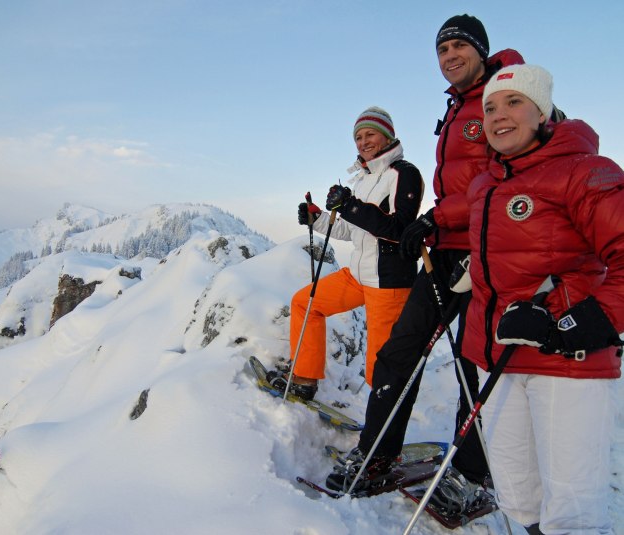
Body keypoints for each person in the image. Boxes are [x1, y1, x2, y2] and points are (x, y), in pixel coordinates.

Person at [326, 14, 526, 496]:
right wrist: (436, 222)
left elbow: (507, 175)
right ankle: (375, 454)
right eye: (442, 50)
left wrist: (434, 217)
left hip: (490, 250)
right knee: (398, 353)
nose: (450, 56)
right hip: (447, 249)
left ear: (481, 49)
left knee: (474, 361)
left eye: (459, 46)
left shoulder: (505, 103)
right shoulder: (458, 108)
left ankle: (473, 474)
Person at [463, 63, 623, 534]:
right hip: (493, 354)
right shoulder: (485, 185)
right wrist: (467, 269)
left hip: (564, 361)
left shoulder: (583, 171)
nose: (498, 115)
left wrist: (572, 323)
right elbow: (511, 257)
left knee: (570, 506)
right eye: (490, 107)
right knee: (518, 493)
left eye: (514, 102)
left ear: (542, 112)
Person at [267, 106, 424, 401]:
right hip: (359, 275)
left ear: (387, 136)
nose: (363, 142)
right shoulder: (364, 179)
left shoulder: (404, 174)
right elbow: (354, 231)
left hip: (388, 282)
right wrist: (320, 219)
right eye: (358, 137)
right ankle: (303, 378)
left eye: (370, 134)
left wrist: (351, 206)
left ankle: (379, 439)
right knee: (305, 304)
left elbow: (400, 229)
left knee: (380, 368)